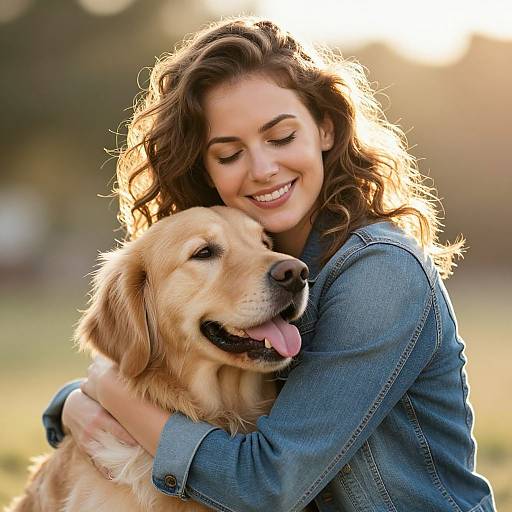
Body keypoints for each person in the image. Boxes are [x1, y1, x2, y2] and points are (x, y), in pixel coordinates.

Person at [42, 16, 496, 511]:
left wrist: (110, 392)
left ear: (324, 128)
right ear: (207, 167)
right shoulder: (267, 259)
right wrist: (75, 400)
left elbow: (269, 484)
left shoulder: (382, 274)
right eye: (230, 153)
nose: (262, 169)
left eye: (280, 138)